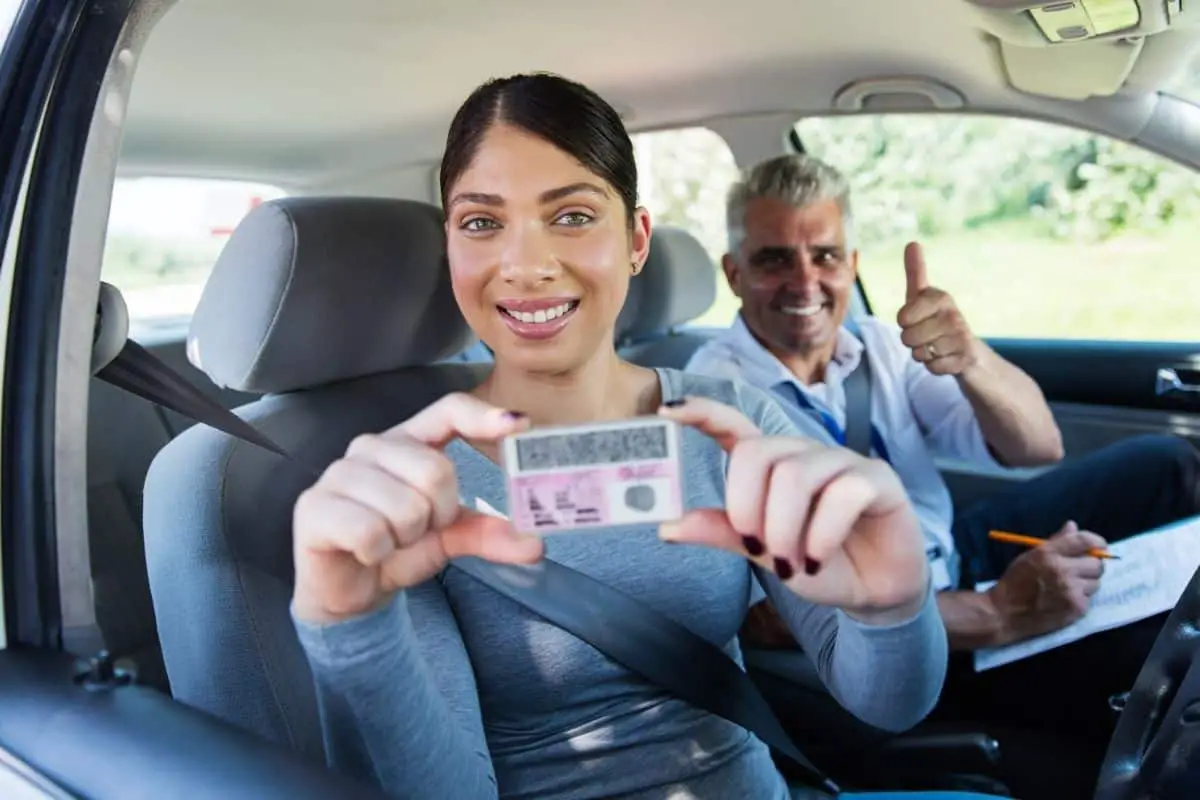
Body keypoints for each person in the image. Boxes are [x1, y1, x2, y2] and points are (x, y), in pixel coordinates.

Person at [288, 73, 1006, 800]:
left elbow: (889, 704)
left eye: (571, 216)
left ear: (635, 239)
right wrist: (353, 629)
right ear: (450, 246)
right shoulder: (410, 490)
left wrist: (890, 606)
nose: (528, 265)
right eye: (481, 222)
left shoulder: (730, 421)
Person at [686, 152, 1200, 779]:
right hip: (889, 631)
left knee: (1172, 465)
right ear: (734, 273)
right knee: (1150, 653)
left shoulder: (875, 344)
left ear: (851, 265)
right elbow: (765, 619)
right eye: (773, 260)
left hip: (949, 553)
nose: (804, 281)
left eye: (823, 255)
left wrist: (972, 357)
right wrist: (998, 613)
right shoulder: (713, 401)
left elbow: (1038, 447)